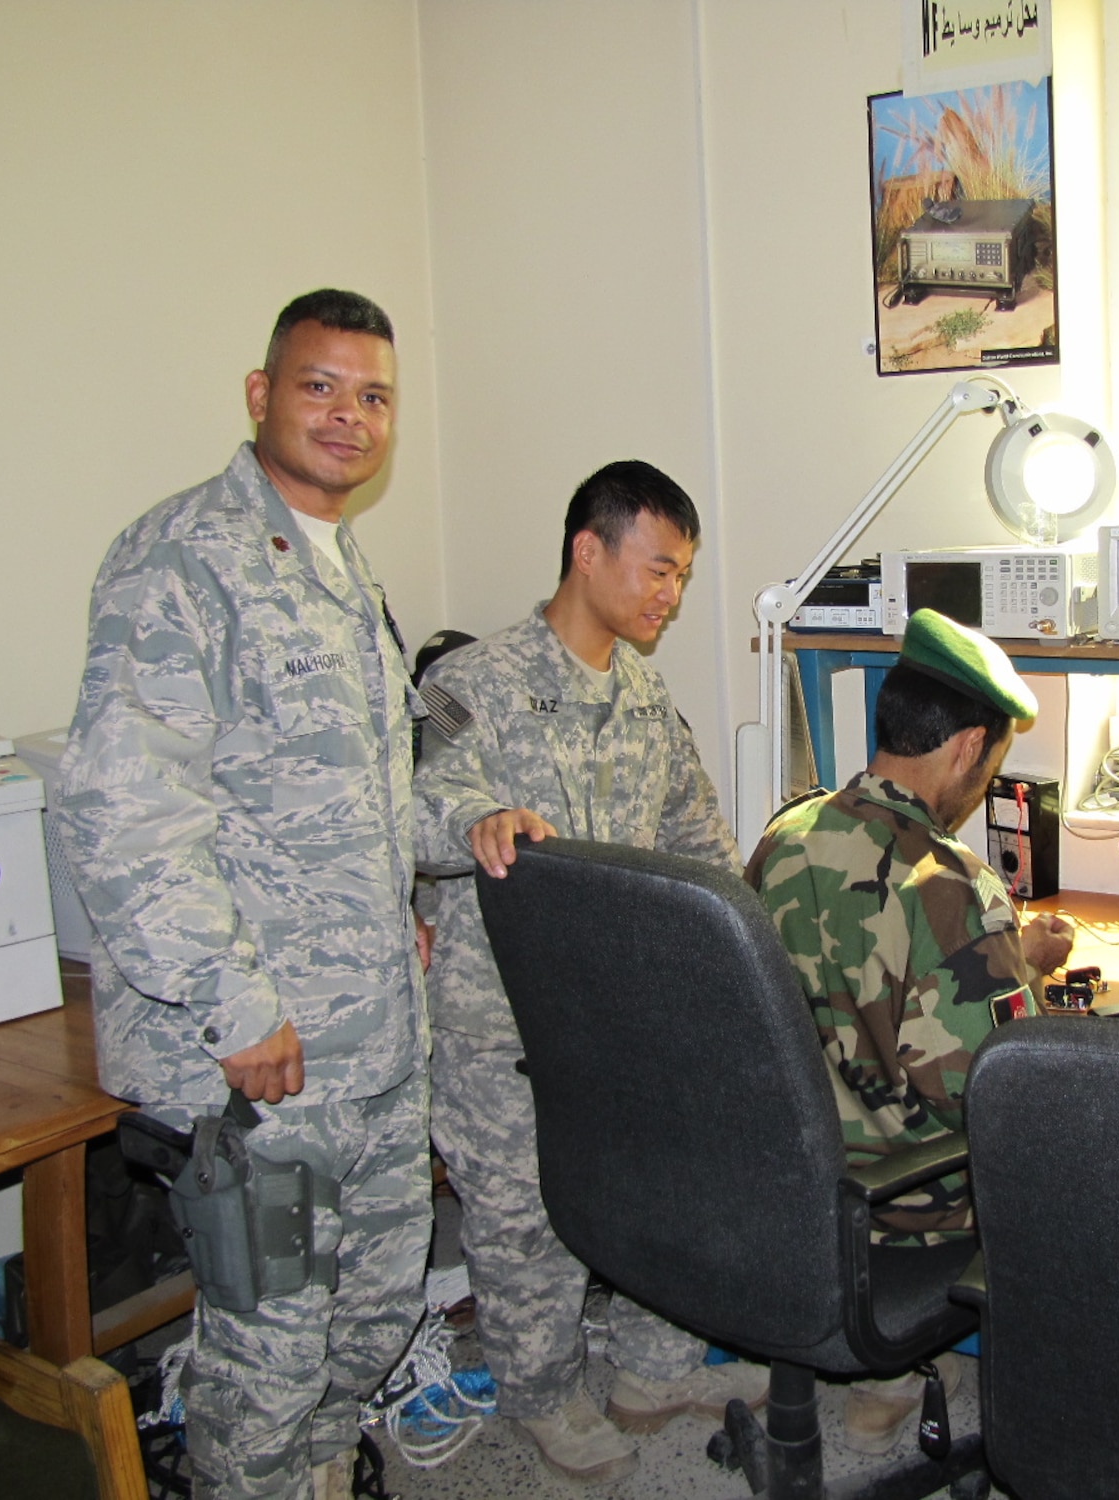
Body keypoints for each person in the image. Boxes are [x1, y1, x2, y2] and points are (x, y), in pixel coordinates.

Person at [58, 290, 431, 1500]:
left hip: (367, 1040)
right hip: (259, 1059)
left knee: (369, 1322)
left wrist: (422, 869)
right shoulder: (183, 558)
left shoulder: (337, 565)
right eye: (319, 386)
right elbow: (125, 810)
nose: (347, 416)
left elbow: (341, 789)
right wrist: (231, 1005)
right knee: (266, 1362)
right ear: (260, 394)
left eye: (371, 396)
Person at [412, 460, 767, 1484]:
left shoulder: (644, 694)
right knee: (524, 1219)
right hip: (503, 1022)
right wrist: (474, 821)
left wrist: (741, 934)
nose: (669, 594)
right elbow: (422, 811)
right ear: (588, 550)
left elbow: (694, 839)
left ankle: (652, 1370)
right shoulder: (476, 683)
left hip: (624, 1013)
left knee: (654, 1191)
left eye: (681, 577)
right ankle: (540, 1395)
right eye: (657, 569)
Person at [743, 609, 1074, 1453]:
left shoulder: (789, 832)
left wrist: (1008, 961)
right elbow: (997, 1094)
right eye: (992, 764)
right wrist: (1017, 969)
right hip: (903, 1208)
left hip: (790, 1188)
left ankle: (876, 1382)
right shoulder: (955, 885)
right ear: (967, 748)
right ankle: (900, 1375)